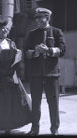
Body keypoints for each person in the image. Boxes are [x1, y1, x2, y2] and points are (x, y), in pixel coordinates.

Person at [0, 17, 32, 135]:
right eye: (2, 28)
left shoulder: (11, 43)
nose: (5, 30)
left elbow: (17, 59)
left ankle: (8, 126)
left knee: (9, 103)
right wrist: (2, 71)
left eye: (6, 28)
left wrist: (10, 71)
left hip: (9, 77)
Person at [24, 7, 66, 135]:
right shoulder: (32, 33)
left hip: (52, 74)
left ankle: (55, 129)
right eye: (36, 18)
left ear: (47, 18)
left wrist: (48, 50)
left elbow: (63, 50)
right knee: (35, 103)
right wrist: (36, 52)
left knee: (53, 103)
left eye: (39, 18)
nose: (37, 21)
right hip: (35, 74)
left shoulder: (57, 32)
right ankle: (34, 129)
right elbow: (26, 52)